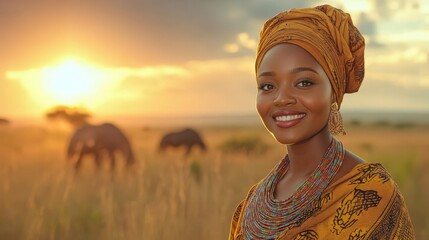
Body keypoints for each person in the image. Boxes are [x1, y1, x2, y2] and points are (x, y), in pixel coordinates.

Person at [229, 5, 415, 240]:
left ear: (333, 93)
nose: (282, 98)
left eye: (304, 82)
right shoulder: (252, 204)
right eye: (268, 86)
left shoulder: (372, 192)